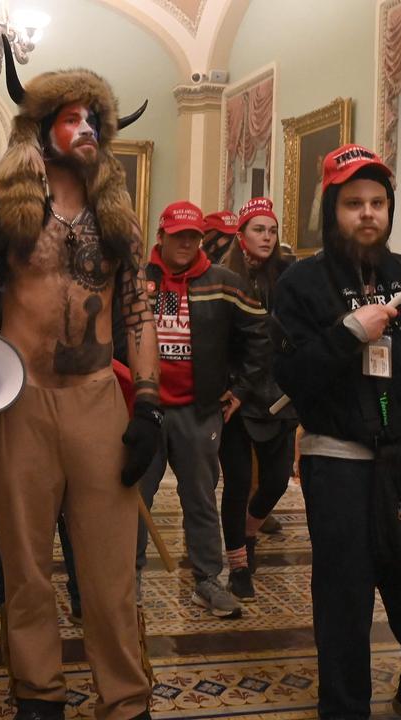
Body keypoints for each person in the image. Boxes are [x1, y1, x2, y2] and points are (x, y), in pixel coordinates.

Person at [0, 44, 160, 720]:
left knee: (110, 573)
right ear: (43, 129)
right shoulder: (3, 212)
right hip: (20, 403)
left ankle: (125, 697)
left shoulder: (119, 221)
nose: (84, 130)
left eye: (93, 120)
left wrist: (151, 407)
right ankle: (38, 692)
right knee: (25, 568)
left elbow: (139, 310)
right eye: (70, 118)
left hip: (98, 400)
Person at [271, 144, 401, 720]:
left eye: (377, 203)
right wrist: (348, 333)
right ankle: (343, 704)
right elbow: (291, 377)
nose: (367, 214)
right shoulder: (301, 284)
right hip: (338, 461)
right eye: (353, 203)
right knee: (345, 591)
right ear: (332, 209)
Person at [134, 200, 269, 619]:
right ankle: (129, 579)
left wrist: (241, 389)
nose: (186, 243)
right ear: (162, 236)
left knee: (201, 498)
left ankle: (208, 581)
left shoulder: (225, 283)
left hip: (199, 410)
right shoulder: (137, 282)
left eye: (193, 235)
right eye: (178, 236)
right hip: (145, 410)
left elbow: (260, 337)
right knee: (135, 498)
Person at [215, 196, 298, 602]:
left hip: (281, 396)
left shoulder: (288, 275)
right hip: (236, 397)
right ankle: (238, 564)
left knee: (278, 481)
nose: (267, 237)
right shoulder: (224, 276)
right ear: (241, 235)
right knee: (237, 484)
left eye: (271, 230)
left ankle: (248, 533)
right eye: (258, 230)